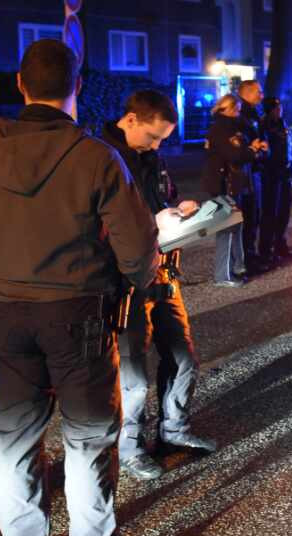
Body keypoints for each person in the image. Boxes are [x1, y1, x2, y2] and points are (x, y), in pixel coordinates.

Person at [0, 39, 159, 536]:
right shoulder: (96, 156)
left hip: (9, 314)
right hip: (79, 316)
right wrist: (135, 284)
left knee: (16, 439)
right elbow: (139, 249)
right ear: (76, 87)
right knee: (89, 438)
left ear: (19, 85)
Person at [100, 90, 215, 483]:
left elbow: (162, 198)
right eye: (152, 137)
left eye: (163, 139)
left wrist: (180, 211)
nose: (157, 145)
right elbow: (100, 222)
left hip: (163, 269)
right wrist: (154, 221)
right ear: (130, 120)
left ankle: (174, 430)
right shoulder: (100, 158)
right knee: (132, 375)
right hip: (128, 278)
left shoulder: (151, 157)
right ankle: (130, 448)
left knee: (183, 356)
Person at [202, 94, 264, 287]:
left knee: (236, 228)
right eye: (235, 109)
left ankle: (237, 268)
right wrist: (252, 150)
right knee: (227, 230)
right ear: (226, 109)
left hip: (236, 184)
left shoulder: (235, 126)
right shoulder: (220, 129)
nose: (238, 113)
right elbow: (235, 154)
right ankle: (223, 275)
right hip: (224, 186)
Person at [260, 96, 292, 264]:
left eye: (280, 107)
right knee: (271, 214)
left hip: (286, 173)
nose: (279, 110)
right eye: (275, 108)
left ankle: (280, 246)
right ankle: (267, 250)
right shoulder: (264, 126)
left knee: (284, 211)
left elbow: (288, 150)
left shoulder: (283, 124)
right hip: (272, 176)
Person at [236, 80, 270, 272]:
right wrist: (256, 149)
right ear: (248, 92)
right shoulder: (242, 115)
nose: (262, 95)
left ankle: (251, 256)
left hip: (253, 171)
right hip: (246, 173)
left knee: (253, 215)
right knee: (248, 216)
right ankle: (247, 259)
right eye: (259, 91)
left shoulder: (252, 113)